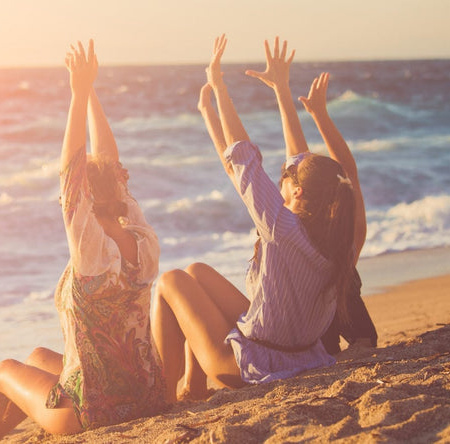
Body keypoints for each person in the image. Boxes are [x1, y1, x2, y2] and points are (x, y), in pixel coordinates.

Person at [0, 40, 165, 443]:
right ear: (118, 192)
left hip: (92, 412)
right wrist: (92, 92)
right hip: (147, 395)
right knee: (35, 359)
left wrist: (78, 93)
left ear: (83, 201)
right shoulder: (142, 239)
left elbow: (72, 171)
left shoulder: (92, 253)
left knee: (2, 373)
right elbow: (109, 162)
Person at [151, 35, 357, 403]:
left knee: (170, 281)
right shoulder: (335, 234)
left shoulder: (281, 226)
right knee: (197, 272)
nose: (283, 178)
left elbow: (243, 158)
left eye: (288, 179)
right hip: (305, 357)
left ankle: (164, 396)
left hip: (251, 367)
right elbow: (303, 161)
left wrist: (220, 88)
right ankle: (192, 388)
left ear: (299, 193)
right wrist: (282, 90)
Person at [246, 41, 378, 355]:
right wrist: (316, 113)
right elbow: (346, 175)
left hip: (309, 352)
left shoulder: (290, 243)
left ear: (297, 194)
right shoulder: (344, 244)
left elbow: (300, 161)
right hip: (341, 345)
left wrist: (283, 92)